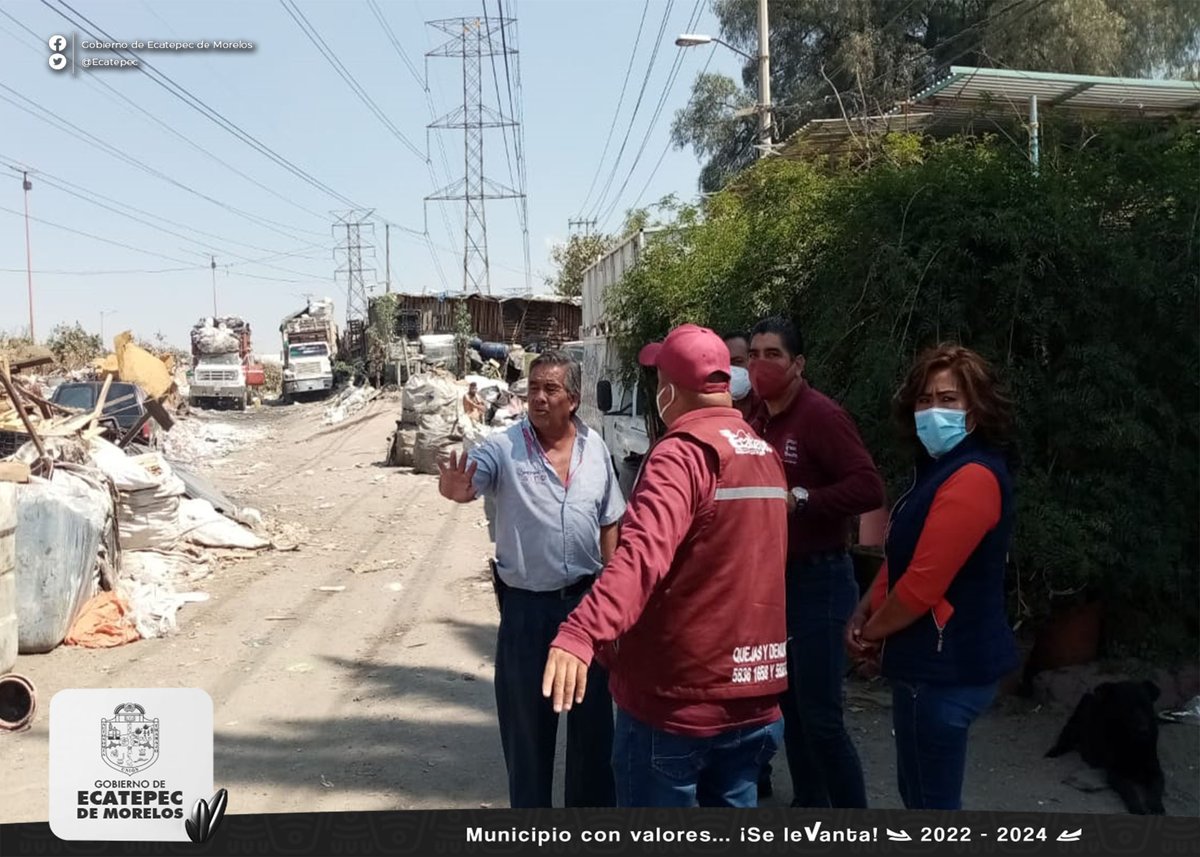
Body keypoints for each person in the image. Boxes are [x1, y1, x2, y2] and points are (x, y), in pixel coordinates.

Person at [543, 324, 790, 808]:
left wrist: (581, 631)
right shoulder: (764, 453)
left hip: (678, 708)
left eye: (660, 381)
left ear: (670, 390)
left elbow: (639, 557)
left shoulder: (682, 455)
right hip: (755, 702)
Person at [437, 352, 625, 808]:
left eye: (550, 389)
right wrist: (457, 488)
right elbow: (471, 478)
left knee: (593, 743)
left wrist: (616, 603)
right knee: (527, 744)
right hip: (526, 614)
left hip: (587, 607)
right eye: (533, 388)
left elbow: (610, 523)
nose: (537, 398)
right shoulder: (504, 447)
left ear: (573, 400)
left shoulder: (595, 448)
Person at [847, 344, 1019, 810]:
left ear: (976, 411)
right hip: (930, 663)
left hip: (946, 668)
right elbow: (903, 557)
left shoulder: (971, 478)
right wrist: (865, 608)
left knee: (930, 805)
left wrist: (869, 633)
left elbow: (923, 584)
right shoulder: (939, 471)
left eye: (948, 400)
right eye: (924, 399)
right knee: (921, 793)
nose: (933, 411)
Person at [747, 316, 884, 809]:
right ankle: (810, 808)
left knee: (822, 718)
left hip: (820, 580)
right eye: (754, 356)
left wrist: (802, 498)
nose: (761, 365)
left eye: (773, 355)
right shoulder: (760, 420)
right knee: (792, 712)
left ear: (798, 363)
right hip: (777, 584)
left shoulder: (820, 416)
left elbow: (869, 487)